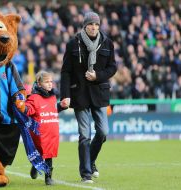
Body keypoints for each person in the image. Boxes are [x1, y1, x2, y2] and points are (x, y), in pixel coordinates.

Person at [60, 11, 117, 183]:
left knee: (103, 132)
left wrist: (97, 76)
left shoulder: (107, 43)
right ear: (85, 26)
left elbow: (112, 67)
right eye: (91, 24)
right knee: (85, 135)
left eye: (97, 24)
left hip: (99, 93)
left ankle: (90, 161)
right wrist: (65, 95)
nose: (94, 27)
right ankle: (85, 173)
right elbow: (65, 72)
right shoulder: (73, 43)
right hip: (80, 95)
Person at [25, 70, 69, 185]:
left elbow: (52, 109)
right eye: (46, 82)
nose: (50, 84)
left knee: (49, 154)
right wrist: (23, 107)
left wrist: (62, 106)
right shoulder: (33, 98)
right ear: (39, 84)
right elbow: (28, 110)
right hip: (39, 133)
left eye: (51, 81)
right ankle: (36, 165)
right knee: (39, 153)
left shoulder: (53, 97)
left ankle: (48, 178)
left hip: (52, 131)